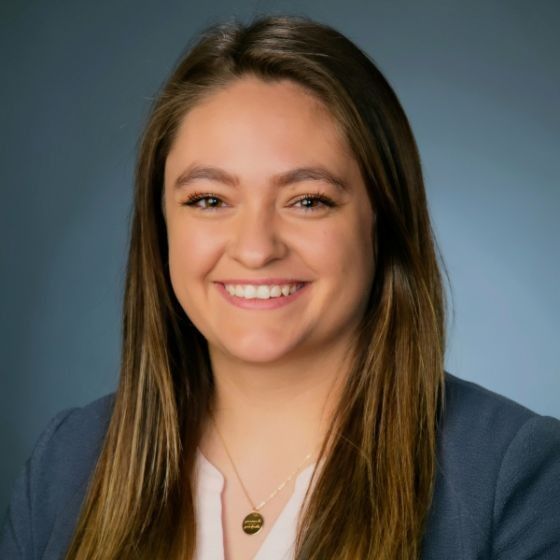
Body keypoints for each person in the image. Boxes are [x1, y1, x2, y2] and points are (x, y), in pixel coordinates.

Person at [1, 14, 559, 560]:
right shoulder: (68, 460)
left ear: (382, 222)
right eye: (209, 200)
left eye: (308, 200)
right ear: (161, 225)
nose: (255, 248)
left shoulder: (513, 476)